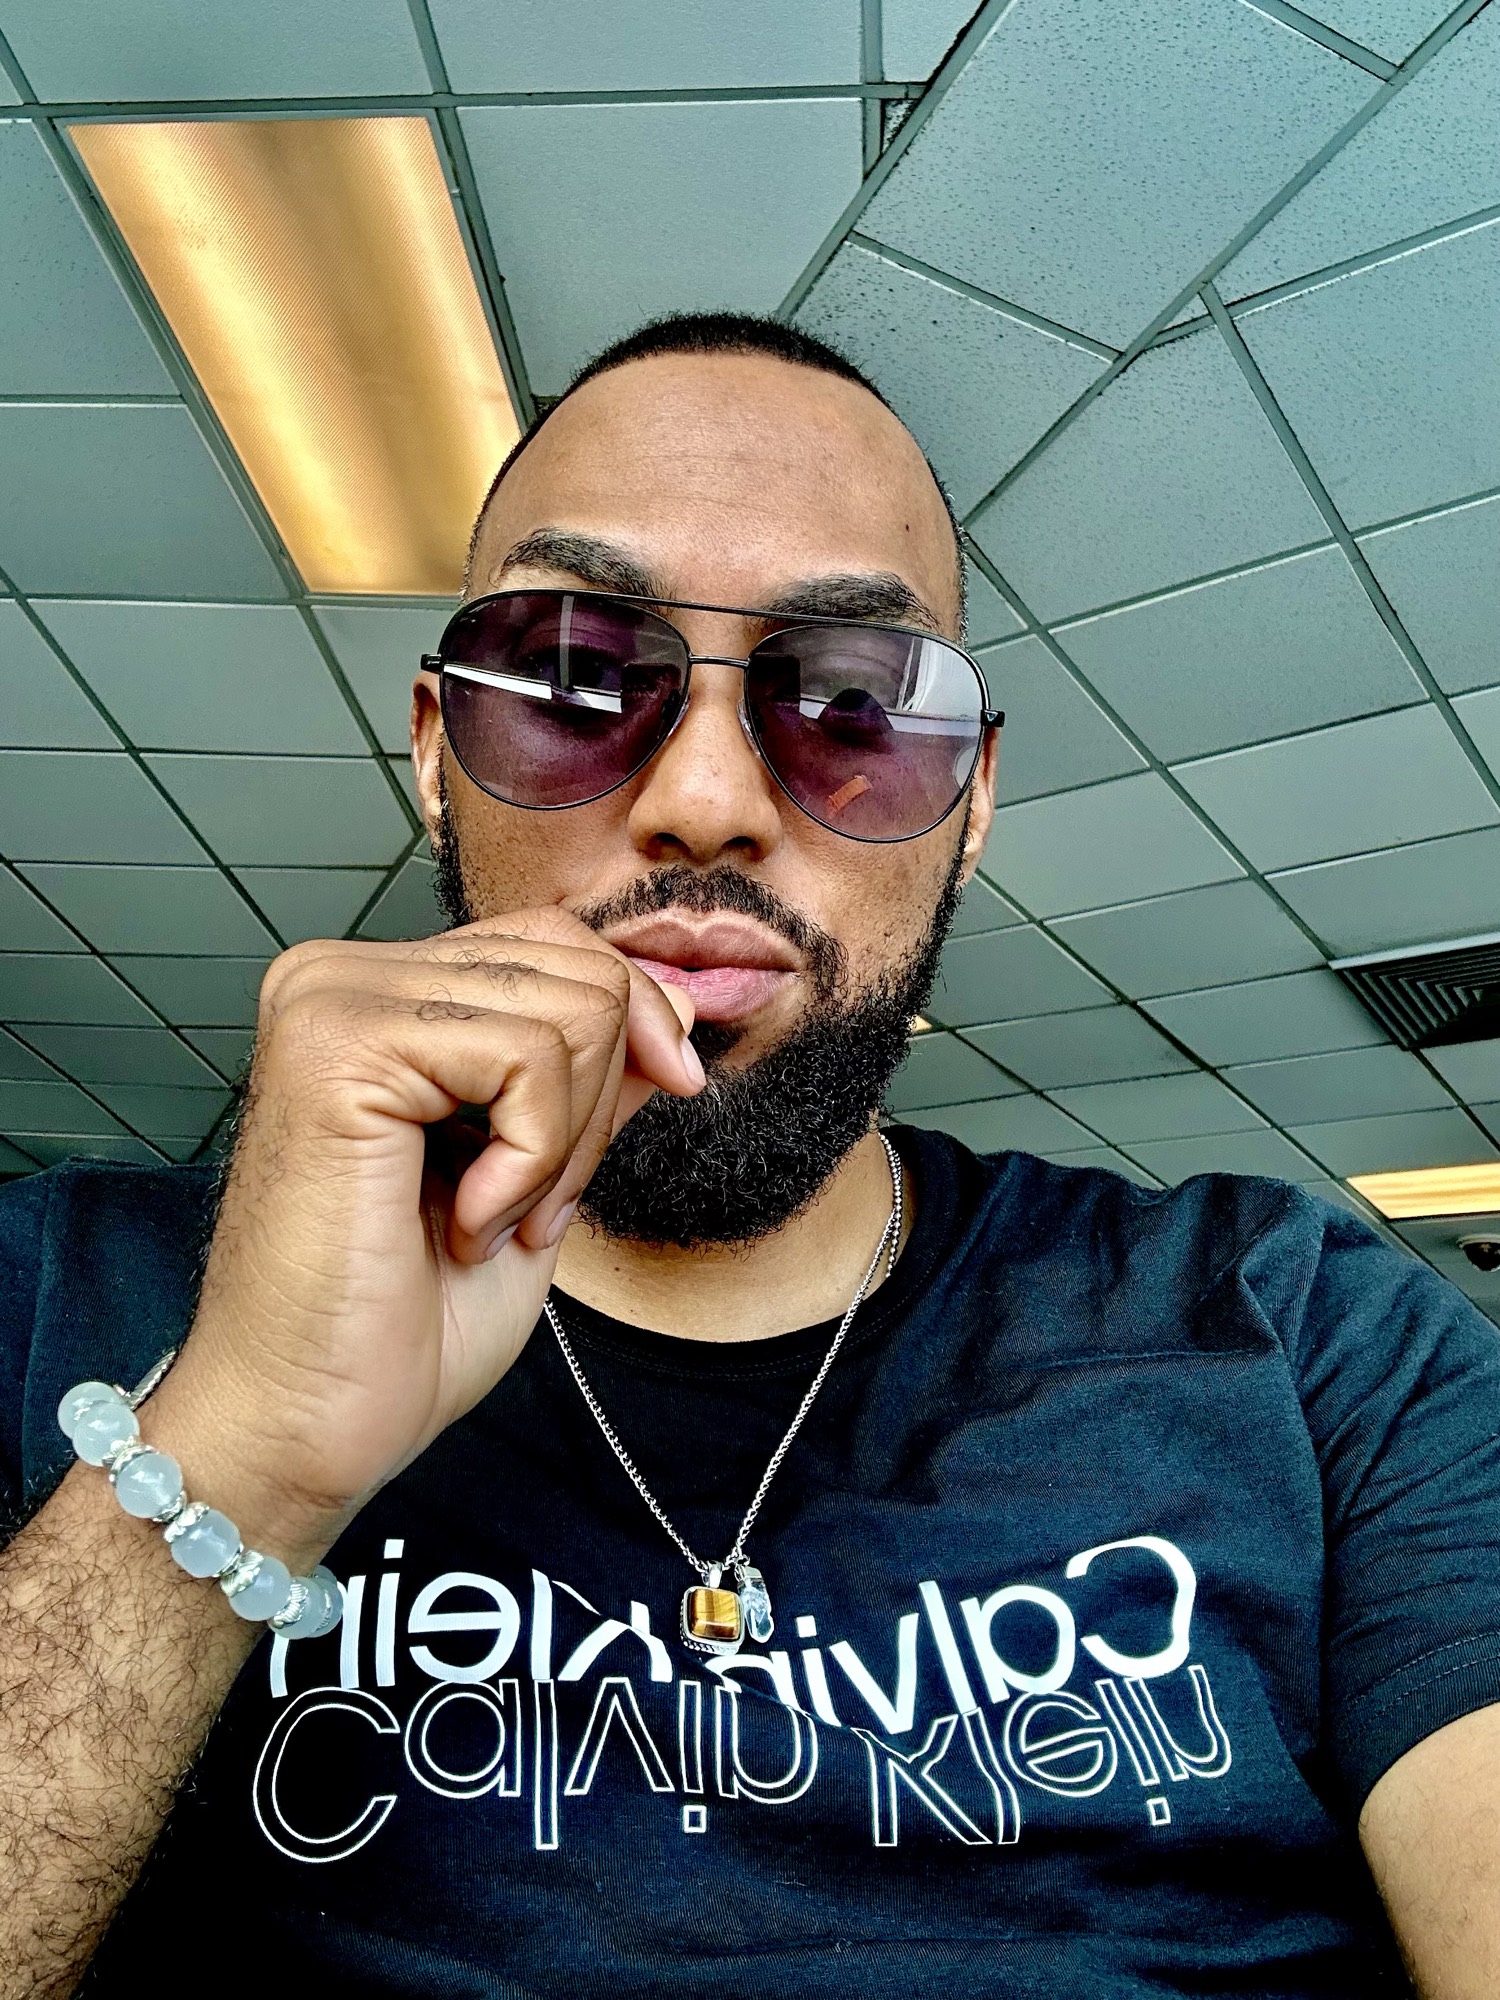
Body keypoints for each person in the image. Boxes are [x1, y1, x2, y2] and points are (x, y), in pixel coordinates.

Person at [2, 312, 1499, 2000]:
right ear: (434, 749)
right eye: (574, 674)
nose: (706, 797)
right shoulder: (52, 1301)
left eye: (856, 699)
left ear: (971, 802)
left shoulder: (1309, 1341)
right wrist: (241, 1451)